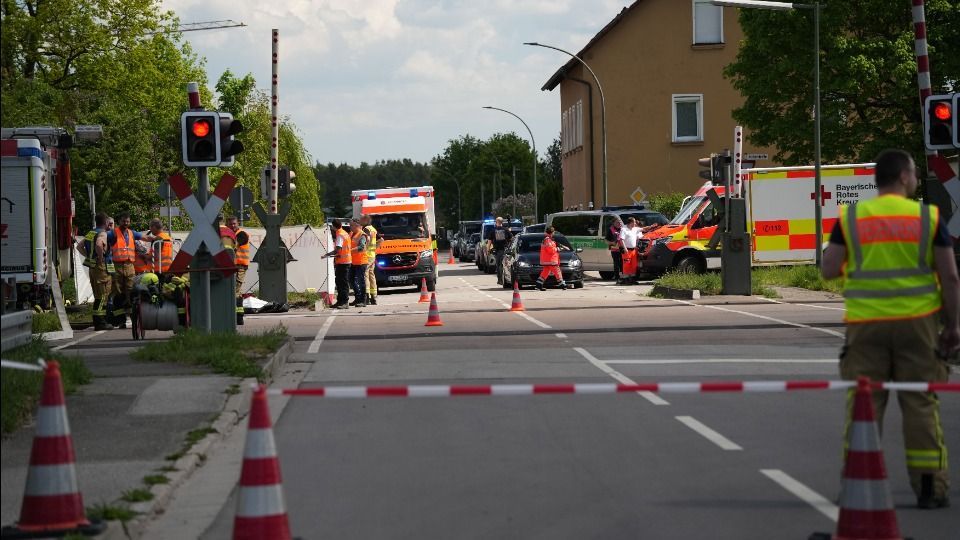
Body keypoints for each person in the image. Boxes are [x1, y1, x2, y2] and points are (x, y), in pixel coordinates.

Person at [822, 148, 959, 510]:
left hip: (866, 327)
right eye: (914, 174)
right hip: (918, 326)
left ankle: (857, 487)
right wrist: (954, 326)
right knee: (920, 405)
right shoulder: (927, 218)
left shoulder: (852, 218)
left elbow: (829, 268)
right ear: (903, 177)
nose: (915, 180)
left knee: (865, 407)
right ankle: (930, 488)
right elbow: (950, 277)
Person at [107, 212, 145, 328]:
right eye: (124, 221)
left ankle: (131, 318)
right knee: (118, 292)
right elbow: (102, 238)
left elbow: (145, 237)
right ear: (119, 221)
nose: (126, 223)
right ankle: (120, 320)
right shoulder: (113, 233)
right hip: (117, 265)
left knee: (130, 291)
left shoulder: (132, 233)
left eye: (128, 221)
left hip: (129, 266)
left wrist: (157, 237)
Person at [77, 213, 113, 330]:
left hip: (92, 268)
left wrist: (89, 256)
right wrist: (100, 257)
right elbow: (98, 244)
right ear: (106, 222)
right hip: (101, 267)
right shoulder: (103, 233)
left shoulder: (91, 232)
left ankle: (98, 322)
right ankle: (101, 322)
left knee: (98, 296)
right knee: (103, 295)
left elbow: (79, 247)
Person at [324, 219, 352, 309]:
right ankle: (340, 301)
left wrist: (328, 254)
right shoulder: (345, 233)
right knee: (340, 282)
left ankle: (344, 302)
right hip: (346, 261)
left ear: (333, 226)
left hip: (343, 262)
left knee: (342, 283)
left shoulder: (340, 235)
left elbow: (338, 249)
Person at [536, 226, 566, 291]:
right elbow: (550, 250)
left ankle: (538, 285)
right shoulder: (548, 240)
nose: (554, 233)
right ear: (552, 232)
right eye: (553, 232)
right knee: (557, 271)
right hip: (551, 260)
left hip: (547, 260)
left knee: (545, 272)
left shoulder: (547, 239)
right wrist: (558, 249)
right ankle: (562, 284)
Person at [349, 219, 368, 307]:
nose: (350, 227)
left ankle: (363, 300)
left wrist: (349, 251)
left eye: (352, 225)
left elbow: (361, 247)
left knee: (361, 281)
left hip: (361, 262)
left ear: (357, 225)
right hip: (353, 262)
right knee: (351, 280)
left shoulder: (362, 235)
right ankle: (357, 298)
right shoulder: (351, 234)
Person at [360, 215, 378, 305]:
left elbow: (367, 241)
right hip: (373, 255)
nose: (360, 221)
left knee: (365, 275)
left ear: (366, 220)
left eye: (361, 220)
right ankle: (374, 297)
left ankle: (367, 297)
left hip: (367, 255)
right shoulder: (373, 229)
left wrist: (362, 250)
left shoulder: (366, 229)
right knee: (371, 275)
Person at [618, 217, 642, 284]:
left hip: (633, 250)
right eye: (634, 222)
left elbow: (643, 229)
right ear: (630, 222)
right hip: (627, 250)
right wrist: (625, 248)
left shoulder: (634, 229)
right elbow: (621, 239)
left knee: (633, 264)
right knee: (626, 264)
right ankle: (626, 279)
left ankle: (632, 279)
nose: (635, 223)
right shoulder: (624, 229)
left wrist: (651, 226)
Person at [606, 217, 623, 281]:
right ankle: (617, 277)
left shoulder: (622, 229)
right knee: (616, 264)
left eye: (620, 222)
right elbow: (606, 240)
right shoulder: (611, 229)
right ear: (613, 223)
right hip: (615, 250)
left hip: (622, 249)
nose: (619, 223)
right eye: (617, 222)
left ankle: (622, 277)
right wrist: (612, 243)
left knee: (622, 264)